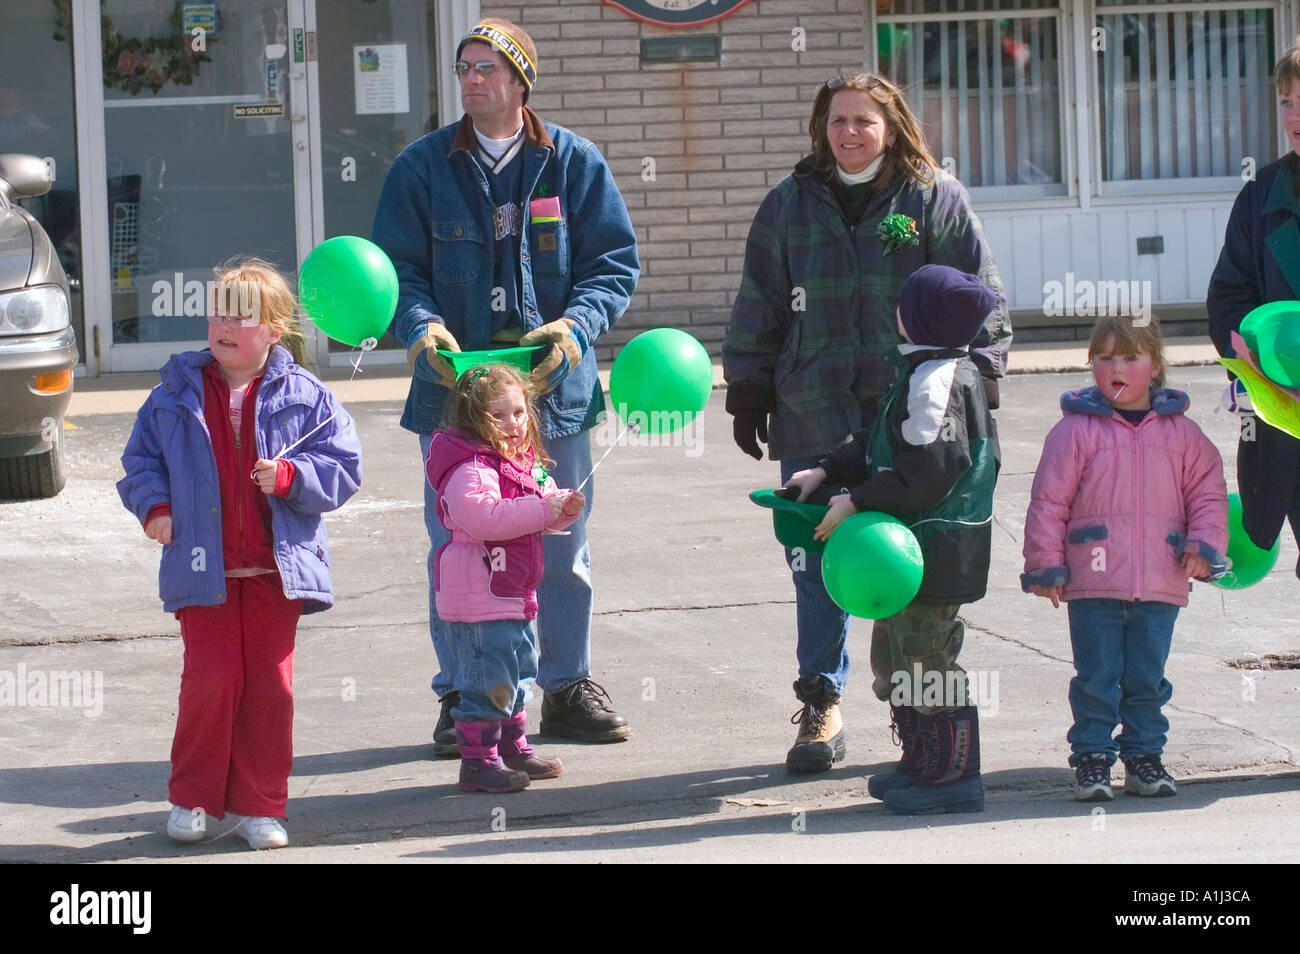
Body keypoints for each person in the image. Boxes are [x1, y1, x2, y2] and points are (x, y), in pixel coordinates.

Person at [723, 71, 1011, 772]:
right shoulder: (788, 204)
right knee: (815, 563)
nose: (849, 133)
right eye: (837, 120)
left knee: (906, 566)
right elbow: (758, 298)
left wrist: (981, 379)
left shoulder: (934, 197)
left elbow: (984, 297)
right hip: (810, 408)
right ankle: (821, 701)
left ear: (892, 126)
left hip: (907, 419)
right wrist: (749, 385)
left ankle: (917, 718)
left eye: (864, 121)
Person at [371, 19, 639, 753]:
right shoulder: (421, 168)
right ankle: (470, 694)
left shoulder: (574, 164)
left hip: (552, 391)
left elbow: (612, 264)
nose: (471, 80)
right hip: (453, 394)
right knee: (459, 546)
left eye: (486, 68)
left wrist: (576, 327)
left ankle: (565, 686)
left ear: (522, 81)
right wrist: (420, 325)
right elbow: (399, 274)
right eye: (463, 68)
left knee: (560, 541)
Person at [117, 258, 363, 849]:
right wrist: (155, 509)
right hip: (203, 572)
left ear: (275, 331)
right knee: (210, 681)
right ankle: (192, 797)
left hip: (276, 572)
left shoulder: (306, 394)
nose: (225, 325)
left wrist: (292, 477)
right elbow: (140, 462)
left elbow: (343, 467)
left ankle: (260, 806)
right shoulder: (174, 392)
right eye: (218, 312)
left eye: (243, 317)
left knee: (269, 689)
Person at [784, 265, 1000, 814]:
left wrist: (857, 499)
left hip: (936, 548)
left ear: (919, 318)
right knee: (896, 656)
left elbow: (930, 468)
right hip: (904, 551)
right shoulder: (923, 370)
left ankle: (953, 775)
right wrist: (825, 469)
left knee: (927, 657)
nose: (895, 310)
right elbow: (882, 439)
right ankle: (921, 761)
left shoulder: (940, 380)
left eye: (905, 303)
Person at [1022, 315, 1227, 802]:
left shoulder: (1183, 434)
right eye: (1105, 356)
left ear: (1155, 366)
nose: (1117, 367)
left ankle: (1144, 757)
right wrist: (1046, 565)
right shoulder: (1074, 432)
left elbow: (1209, 494)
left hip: (1161, 577)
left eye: (1130, 356)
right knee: (1096, 677)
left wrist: (1203, 544)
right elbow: (1048, 502)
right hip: (1093, 581)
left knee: (1147, 678)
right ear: (1091, 364)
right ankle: (1093, 759)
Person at [425, 365, 585, 792]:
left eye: (518, 412)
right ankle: (478, 762)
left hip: (511, 593)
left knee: (516, 674)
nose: (513, 423)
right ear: (473, 419)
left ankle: (513, 748)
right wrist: (541, 512)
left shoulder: (518, 462)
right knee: (487, 682)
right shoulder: (471, 467)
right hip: (480, 596)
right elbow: (483, 518)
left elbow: (540, 497)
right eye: (499, 415)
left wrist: (560, 506)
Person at [1208, 38, 1300, 576]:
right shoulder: (1262, 192)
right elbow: (1228, 294)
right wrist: (1245, 346)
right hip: (1283, 414)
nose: (1294, 116)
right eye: (1287, 101)